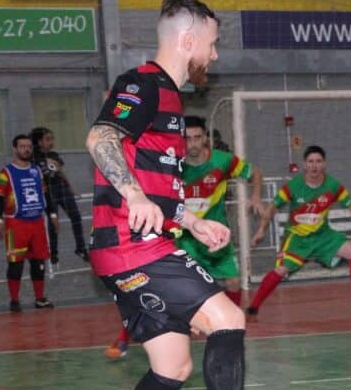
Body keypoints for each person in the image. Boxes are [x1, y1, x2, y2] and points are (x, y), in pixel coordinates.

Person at [85, 0, 303, 390]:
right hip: (132, 246)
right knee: (227, 317)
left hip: (132, 246)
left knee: (172, 365)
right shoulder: (145, 84)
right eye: (213, 42)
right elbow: (101, 137)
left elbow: (151, 184)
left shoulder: (171, 103)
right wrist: (134, 197)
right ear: (189, 39)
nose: (216, 54)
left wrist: (188, 220)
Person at [103, 115, 264, 358]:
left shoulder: (223, 162)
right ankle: (125, 336)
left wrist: (255, 196)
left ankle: (228, 331)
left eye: (197, 137)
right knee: (158, 290)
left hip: (213, 234)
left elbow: (255, 173)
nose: (192, 144)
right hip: (182, 236)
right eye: (187, 138)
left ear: (206, 139)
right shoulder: (172, 164)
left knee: (232, 282)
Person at [247, 145, 351, 319]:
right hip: (297, 238)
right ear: (304, 165)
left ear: (324, 164)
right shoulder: (294, 186)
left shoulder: (332, 185)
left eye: (318, 161)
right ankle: (253, 309)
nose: (314, 165)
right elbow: (272, 207)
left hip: (323, 235)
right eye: (310, 161)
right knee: (281, 271)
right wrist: (261, 230)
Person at [0, 133, 57, 312]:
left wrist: (52, 215)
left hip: (37, 223)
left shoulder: (37, 171)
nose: (26, 149)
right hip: (15, 224)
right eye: (22, 146)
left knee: (38, 262)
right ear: (15, 149)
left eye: (28, 146)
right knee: (15, 263)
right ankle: (14, 300)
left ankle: (40, 298)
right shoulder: (5, 173)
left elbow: (45, 195)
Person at [30, 126, 88, 263]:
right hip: (47, 192)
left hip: (61, 188)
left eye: (52, 139)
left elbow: (60, 171)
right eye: (48, 139)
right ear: (39, 142)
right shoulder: (33, 158)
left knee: (76, 217)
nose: (51, 142)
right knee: (52, 221)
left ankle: (81, 248)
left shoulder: (53, 155)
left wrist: (71, 188)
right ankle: (53, 252)